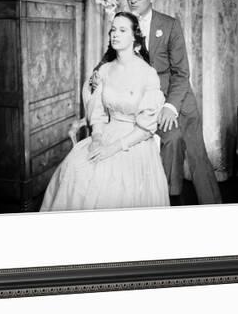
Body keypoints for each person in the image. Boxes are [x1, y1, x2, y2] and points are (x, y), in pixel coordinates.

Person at [40, 12, 170, 211]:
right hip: (106, 132)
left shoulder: (148, 74)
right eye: (113, 30)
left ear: (135, 36)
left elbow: (146, 127)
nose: (115, 34)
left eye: (122, 30)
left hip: (135, 140)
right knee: (76, 169)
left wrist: (113, 148)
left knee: (115, 184)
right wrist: (98, 137)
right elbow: (97, 112)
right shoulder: (104, 70)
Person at [123, 0, 222, 204]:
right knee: (172, 141)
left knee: (197, 156)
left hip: (178, 99)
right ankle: (169, 199)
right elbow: (112, 58)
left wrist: (170, 106)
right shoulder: (123, 24)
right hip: (146, 101)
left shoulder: (169, 25)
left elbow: (181, 73)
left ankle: (215, 209)